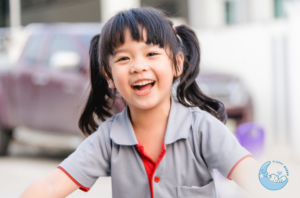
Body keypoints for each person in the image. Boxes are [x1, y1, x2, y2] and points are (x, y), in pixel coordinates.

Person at [20, 7, 270, 198]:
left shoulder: (203, 129)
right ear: (109, 76)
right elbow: (52, 184)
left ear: (177, 63)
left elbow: (251, 176)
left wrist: (275, 182)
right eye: (124, 58)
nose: (138, 67)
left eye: (151, 54)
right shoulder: (107, 139)